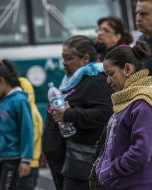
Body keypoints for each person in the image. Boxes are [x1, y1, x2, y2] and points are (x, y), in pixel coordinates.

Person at [91, 41, 152, 190]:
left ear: (127, 68)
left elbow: (141, 152)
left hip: (141, 184)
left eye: (111, 74)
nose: (108, 81)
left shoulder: (144, 102)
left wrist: (110, 171)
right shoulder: (127, 99)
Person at [42, 35, 113, 190]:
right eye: (63, 58)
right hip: (63, 162)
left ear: (85, 59)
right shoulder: (72, 80)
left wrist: (69, 114)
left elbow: (105, 114)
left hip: (81, 163)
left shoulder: (97, 80)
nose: (64, 63)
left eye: (68, 58)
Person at [0, 60, 34, 190]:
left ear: (1, 81)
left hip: (12, 158)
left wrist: (26, 159)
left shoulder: (19, 101)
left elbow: (27, 130)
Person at [16, 77, 43, 190]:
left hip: (26, 164)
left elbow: (30, 137)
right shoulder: (33, 108)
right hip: (31, 163)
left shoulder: (28, 112)